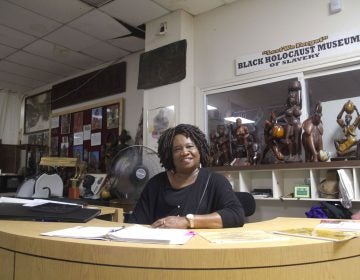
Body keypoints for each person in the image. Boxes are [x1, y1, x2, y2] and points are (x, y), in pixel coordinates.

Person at [127, 124, 245, 229]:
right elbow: (136, 223)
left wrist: (187, 221)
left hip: (199, 249)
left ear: (200, 149)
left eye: (190, 147)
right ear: (170, 155)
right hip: (161, 250)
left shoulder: (215, 181)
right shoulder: (155, 184)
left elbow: (235, 215)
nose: (184, 152)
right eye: (177, 149)